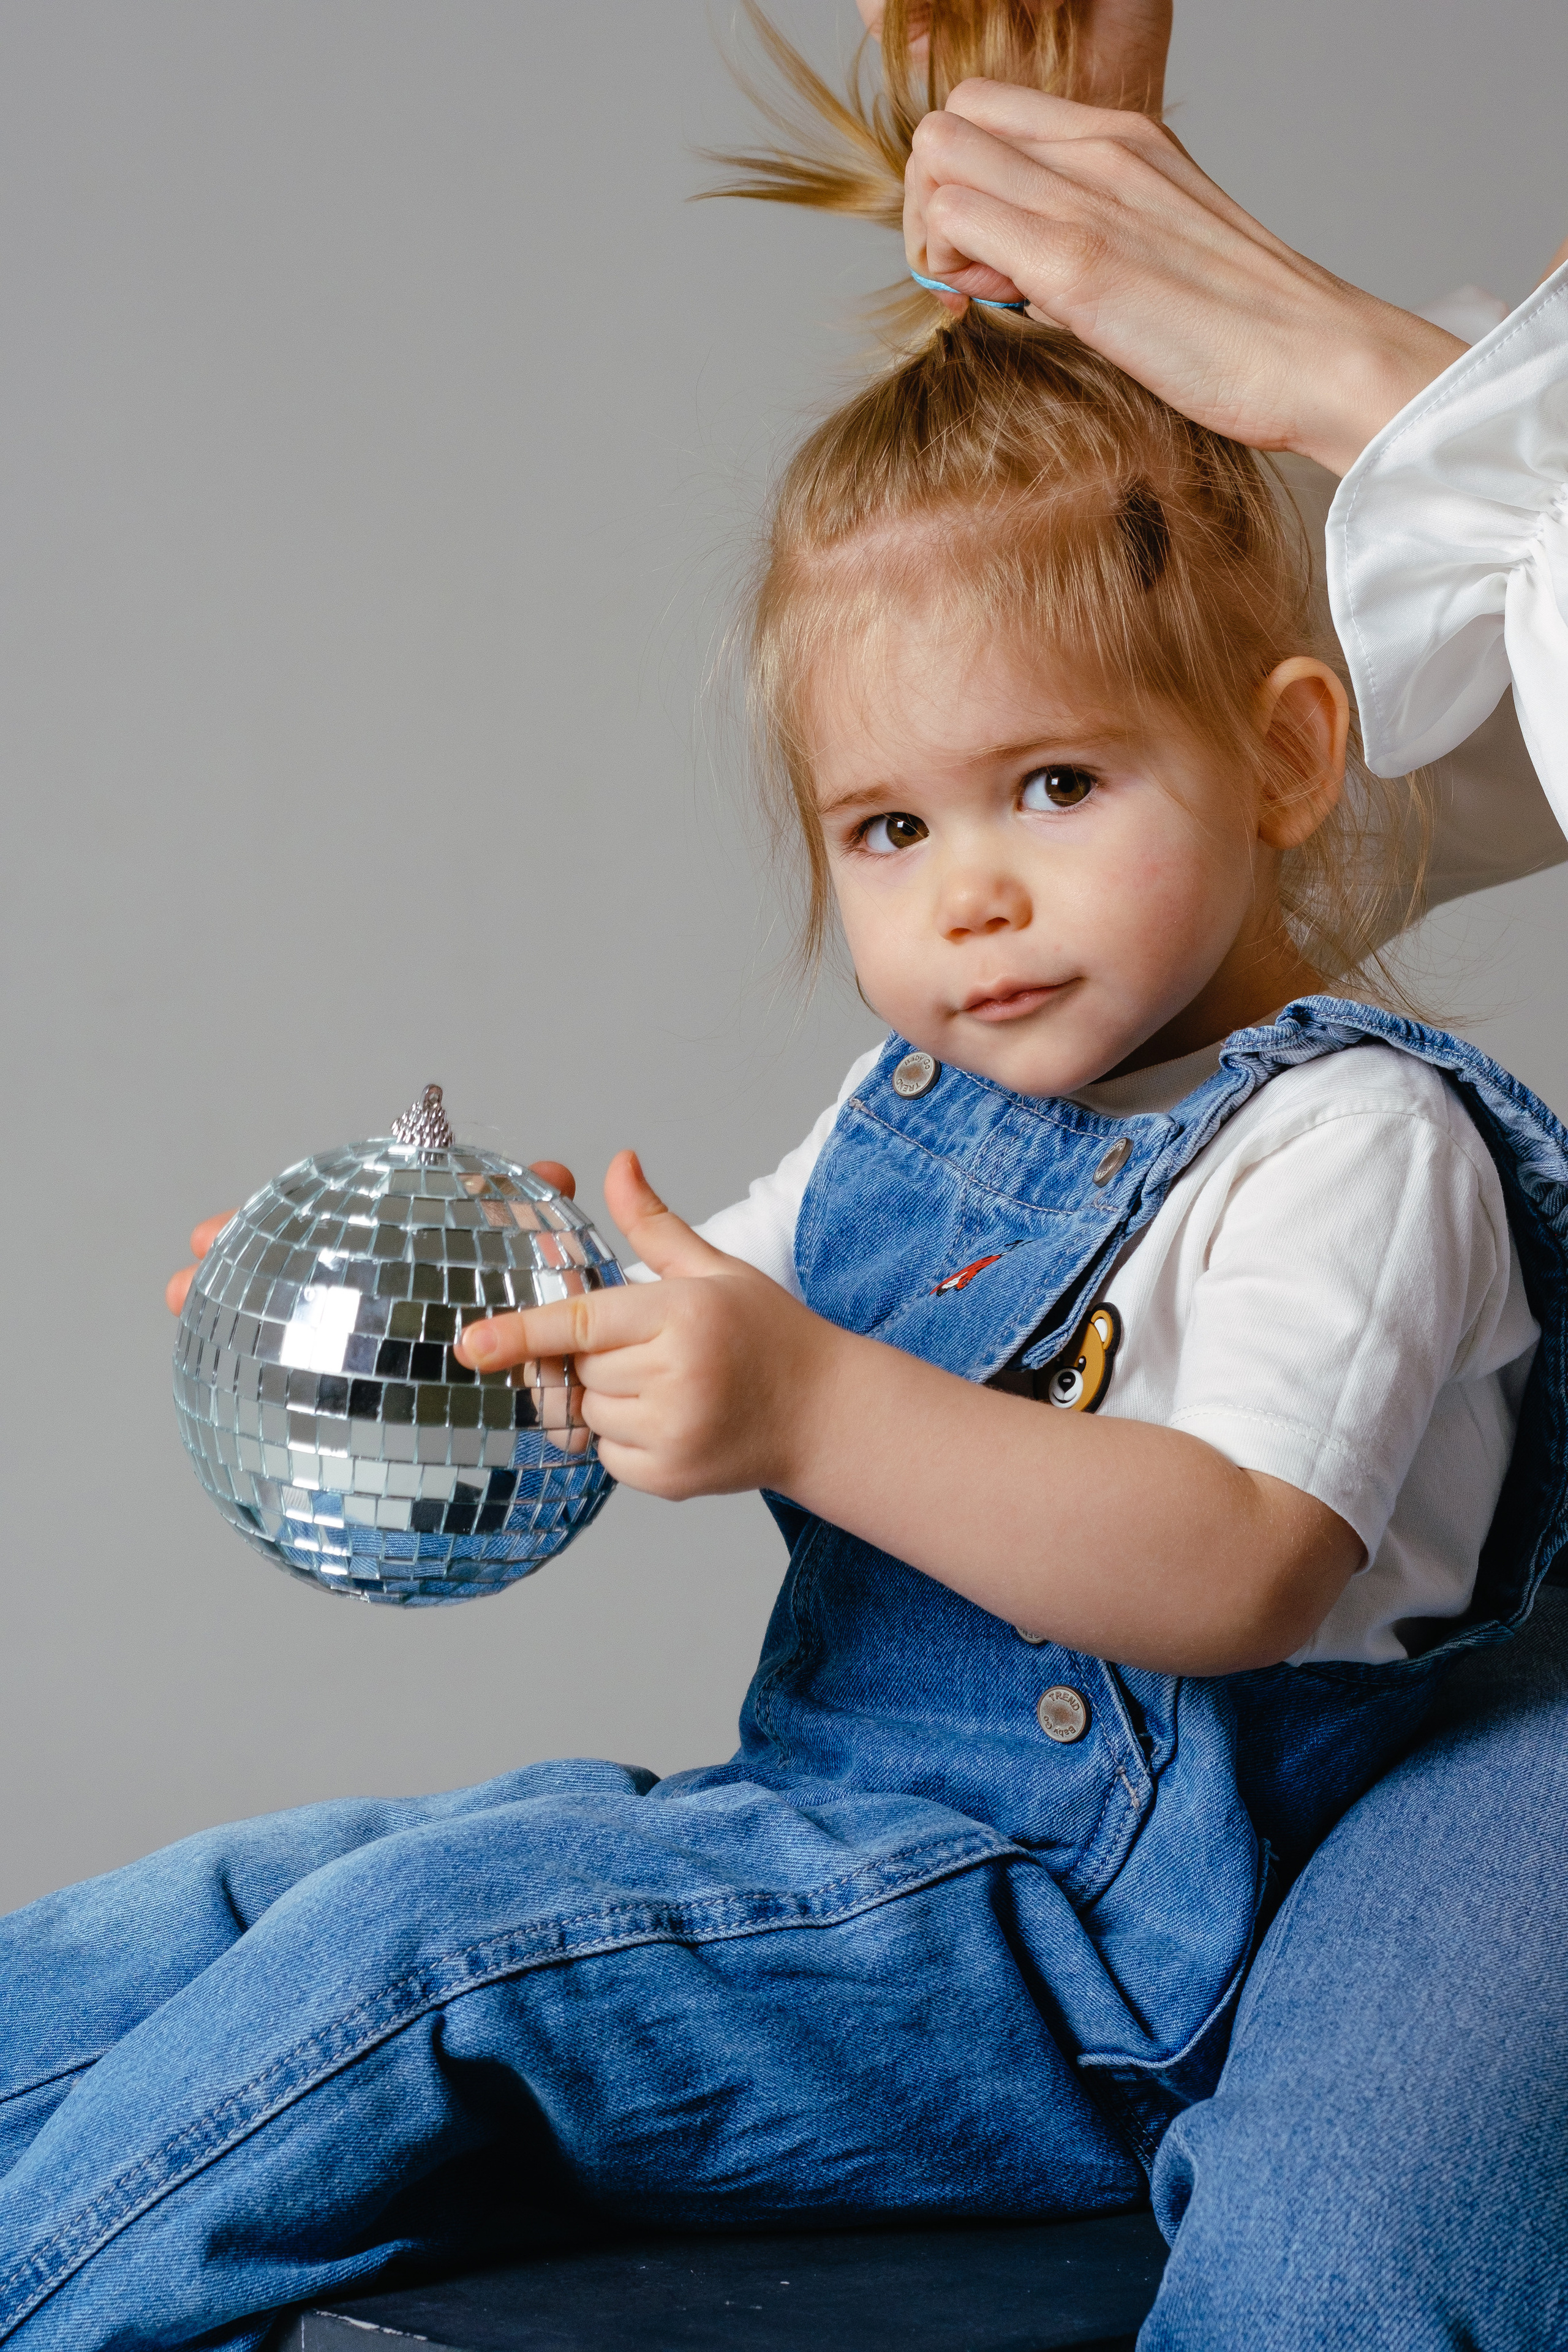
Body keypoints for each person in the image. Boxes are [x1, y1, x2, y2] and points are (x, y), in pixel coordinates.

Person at [9, 12, 1568, 2351]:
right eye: (890, 827)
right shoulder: (913, 1113)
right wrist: (425, 1311)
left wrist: (812, 1408)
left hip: (1070, 1940)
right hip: (837, 1847)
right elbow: (667, 1337)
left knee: (429, 1960)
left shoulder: (1358, 1139)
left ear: (1284, 752)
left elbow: (1242, 1558)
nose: (972, 894)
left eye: (1056, 786)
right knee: (270, 1898)